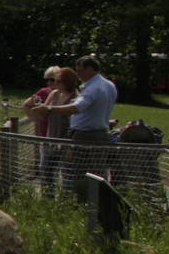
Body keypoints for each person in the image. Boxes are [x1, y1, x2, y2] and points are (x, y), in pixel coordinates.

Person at [29, 55, 117, 188]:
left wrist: (49, 108)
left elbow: (77, 107)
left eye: (80, 70)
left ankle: (84, 203)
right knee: (98, 172)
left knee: (81, 174)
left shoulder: (93, 87)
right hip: (100, 132)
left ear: (90, 69)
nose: (78, 74)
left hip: (86, 136)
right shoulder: (108, 85)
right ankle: (97, 201)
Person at [22, 65, 59, 136]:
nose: (49, 82)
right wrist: (37, 119)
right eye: (47, 80)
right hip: (46, 129)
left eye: (52, 80)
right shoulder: (43, 92)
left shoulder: (65, 92)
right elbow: (26, 105)